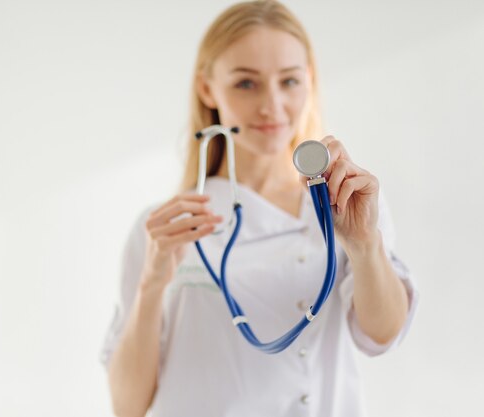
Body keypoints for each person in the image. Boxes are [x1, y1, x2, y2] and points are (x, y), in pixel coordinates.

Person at [100, 1, 419, 416]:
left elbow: (382, 336)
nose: (272, 105)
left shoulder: (348, 204)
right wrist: (152, 284)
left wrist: (363, 246)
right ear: (207, 88)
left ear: (309, 82)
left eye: (289, 81)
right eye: (246, 84)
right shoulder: (164, 227)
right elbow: (127, 406)